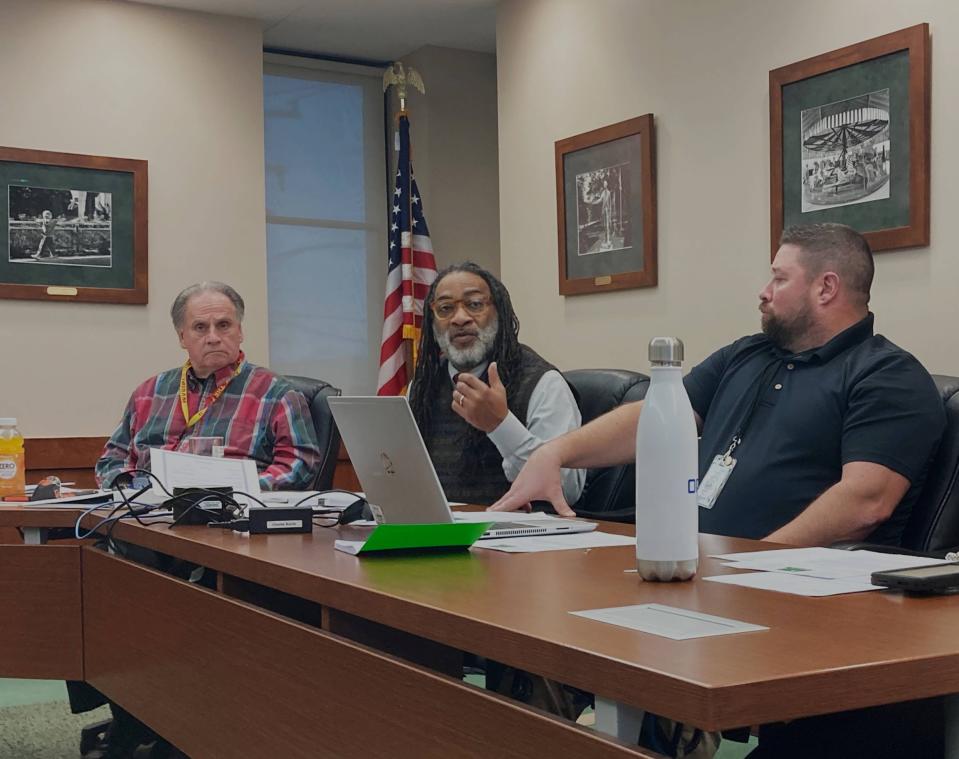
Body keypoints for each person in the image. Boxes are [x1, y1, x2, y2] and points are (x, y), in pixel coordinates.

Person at [491, 223, 946, 758]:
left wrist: (747, 567)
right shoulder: (746, 355)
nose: (763, 290)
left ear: (826, 287)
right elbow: (658, 412)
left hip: (785, 604)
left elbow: (866, 502)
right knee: (530, 635)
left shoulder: (887, 375)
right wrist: (555, 453)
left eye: (778, 277)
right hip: (689, 576)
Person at [96, 281, 321, 491]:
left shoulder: (277, 394)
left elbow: (299, 465)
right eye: (201, 327)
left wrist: (233, 491)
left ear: (240, 331)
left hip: (234, 518)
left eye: (223, 325)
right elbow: (112, 461)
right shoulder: (148, 394)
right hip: (150, 517)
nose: (213, 337)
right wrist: (130, 491)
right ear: (182, 337)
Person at [408, 261, 584, 508]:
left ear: (499, 312)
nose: (460, 319)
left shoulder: (543, 383)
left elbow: (567, 489)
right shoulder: (421, 387)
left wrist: (500, 425)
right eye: (446, 308)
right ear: (432, 321)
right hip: (435, 536)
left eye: (475, 304)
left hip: (519, 540)